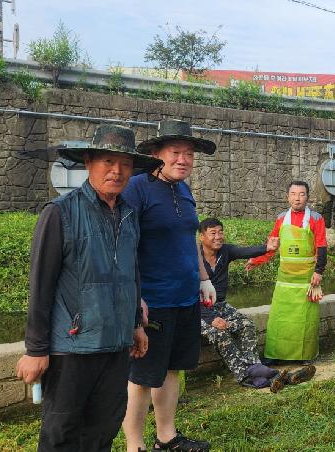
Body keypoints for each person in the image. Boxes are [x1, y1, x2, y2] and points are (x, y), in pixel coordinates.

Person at [14, 124, 160, 451]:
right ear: (89, 163)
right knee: (62, 432)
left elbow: (130, 273)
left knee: (104, 427)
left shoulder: (129, 215)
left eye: (124, 164)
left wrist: (136, 323)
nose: (117, 170)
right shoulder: (60, 213)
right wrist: (36, 349)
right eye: (108, 161)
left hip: (115, 345)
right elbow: (40, 285)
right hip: (72, 347)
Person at [121, 119, 218, 452]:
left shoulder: (183, 189)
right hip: (153, 300)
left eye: (189, 154)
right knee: (142, 377)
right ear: (155, 153)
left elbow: (188, 237)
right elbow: (123, 244)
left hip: (184, 297)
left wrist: (203, 278)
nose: (183, 159)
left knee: (172, 369)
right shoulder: (137, 187)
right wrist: (135, 298)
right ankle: (135, 446)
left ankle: (167, 437)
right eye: (175, 152)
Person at [197, 218, 313, 392]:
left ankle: (257, 369)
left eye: (220, 232)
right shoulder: (192, 259)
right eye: (213, 233)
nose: (218, 237)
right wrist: (211, 318)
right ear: (202, 237)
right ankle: (245, 375)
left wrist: (267, 248)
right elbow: (186, 295)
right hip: (198, 311)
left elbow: (245, 251)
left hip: (220, 306)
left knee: (246, 324)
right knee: (220, 333)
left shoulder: (225, 252)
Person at [248, 181, 328, 363]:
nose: (297, 198)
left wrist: (319, 271)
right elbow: (272, 245)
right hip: (285, 281)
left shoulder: (316, 218)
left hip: (307, 280)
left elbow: (321, 245)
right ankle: (275, 354)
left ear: (307, 197)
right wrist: (257, 260)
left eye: (301, 194)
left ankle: (305, 355)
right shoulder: (281, 218)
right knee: (279, 318)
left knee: (305, 320)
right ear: (287, 197)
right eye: (293, 194)